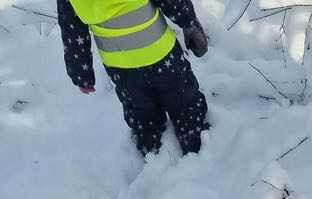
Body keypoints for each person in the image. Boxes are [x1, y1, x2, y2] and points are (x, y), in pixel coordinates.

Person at [57, 0, 209, 157]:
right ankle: (194, 140)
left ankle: (152, 153)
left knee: (141, 113)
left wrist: (81, 74)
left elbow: (72, 30)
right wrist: (189, 23)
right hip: (161, 54)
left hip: (121, 68)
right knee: (184, 101)